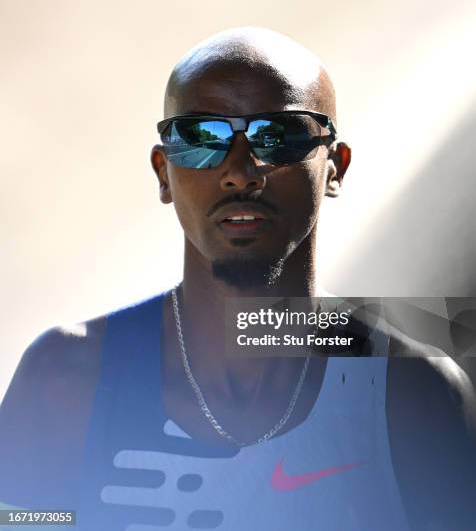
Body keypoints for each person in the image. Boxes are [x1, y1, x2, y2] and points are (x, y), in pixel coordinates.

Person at [1, 27, 475, 531]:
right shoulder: (67, 379)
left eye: (280, 136)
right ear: (164, 172)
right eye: (201, 138)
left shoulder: (413, 396)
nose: (241, 171)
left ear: (335, 167)